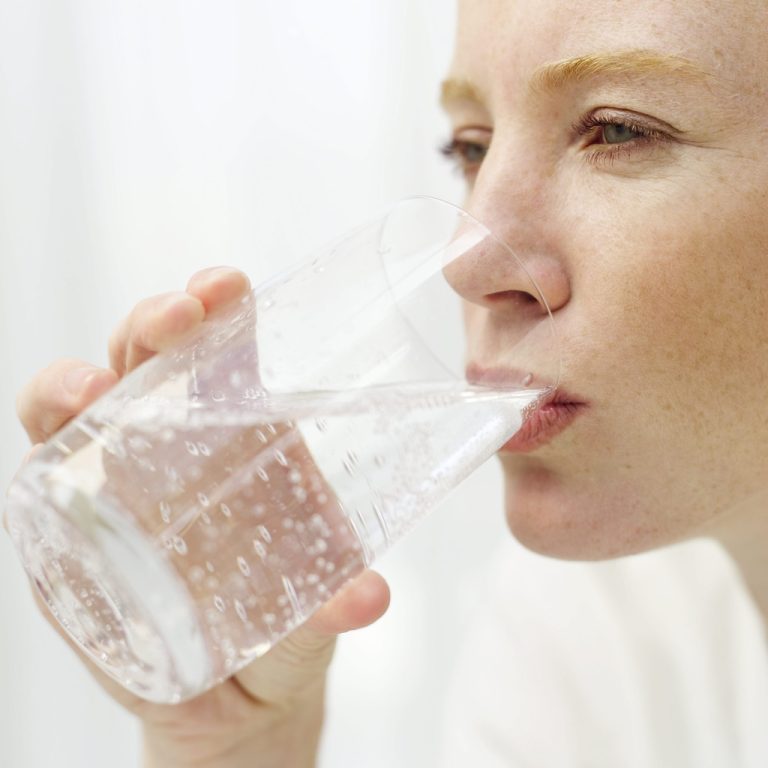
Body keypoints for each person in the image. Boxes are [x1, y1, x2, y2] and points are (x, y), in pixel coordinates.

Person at [11, 0, 768, 764]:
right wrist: (245, 747)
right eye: (471, 148)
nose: (467, 265)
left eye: (618, 131)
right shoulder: (598, 638)